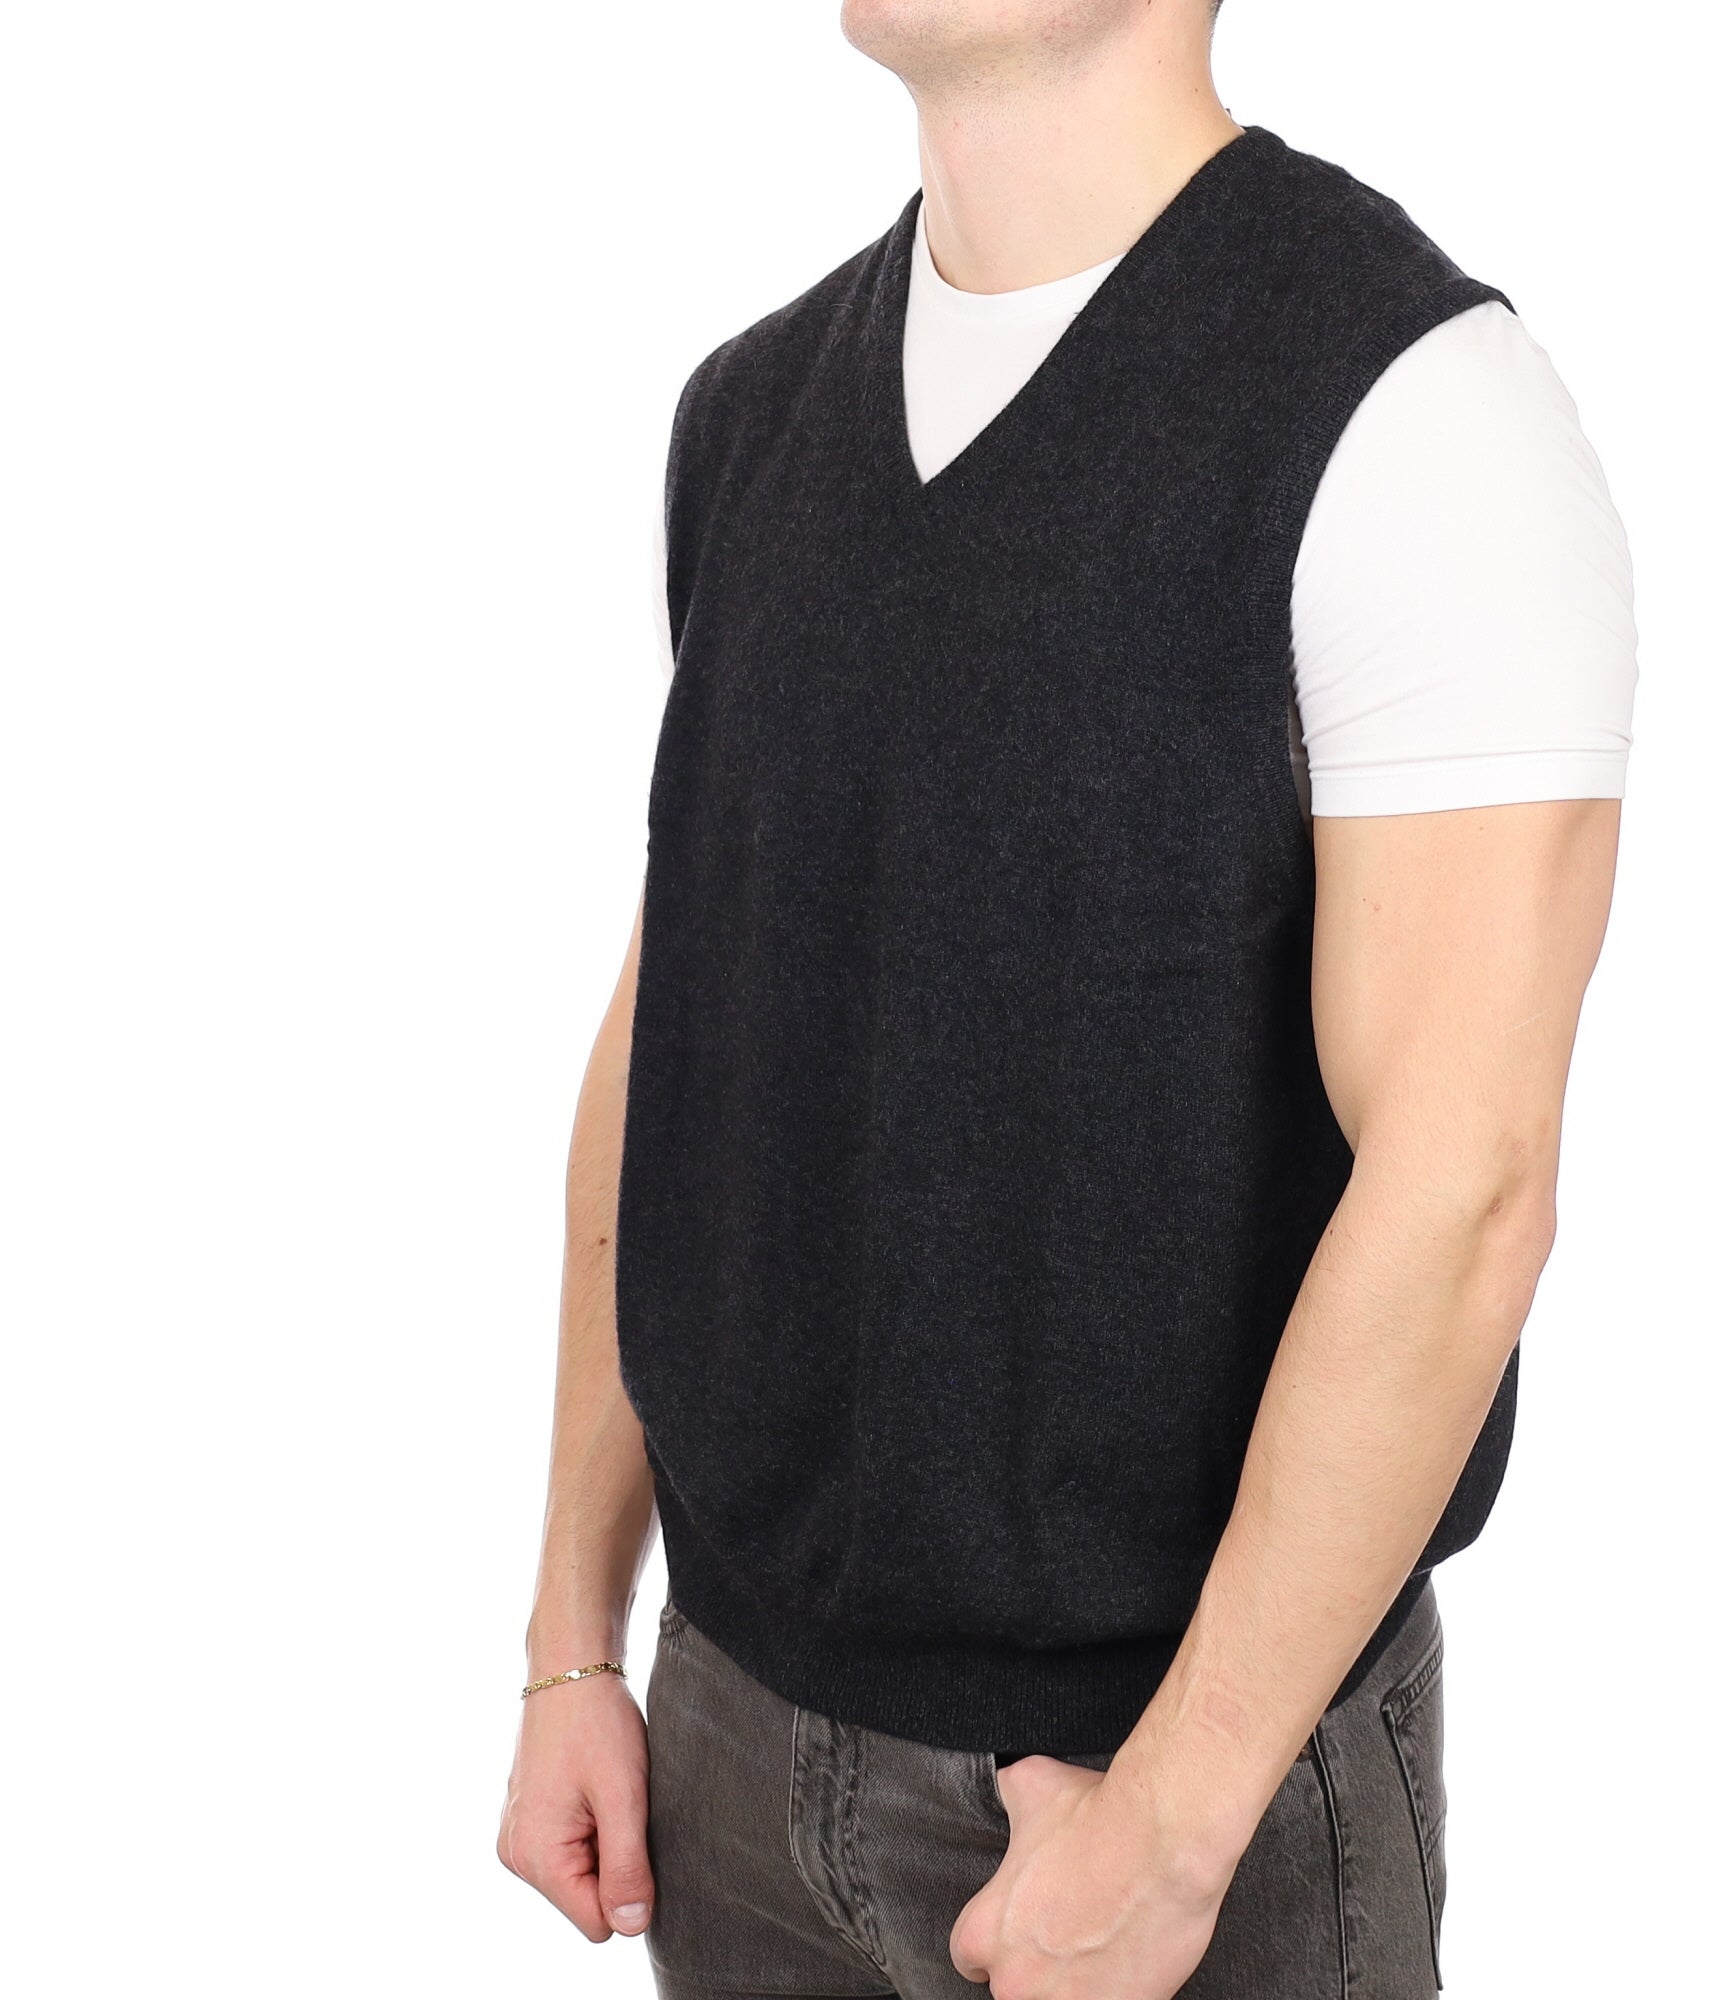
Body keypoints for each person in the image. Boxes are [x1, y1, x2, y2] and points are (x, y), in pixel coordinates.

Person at [497, 3, 1636, 1994]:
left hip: (1163, 1781)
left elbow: (1465, 1185)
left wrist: (1172, 1827)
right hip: (723, 1738)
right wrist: (572, 1637)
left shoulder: (1413, 410)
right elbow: (682, 1034)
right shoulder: (750, 412)